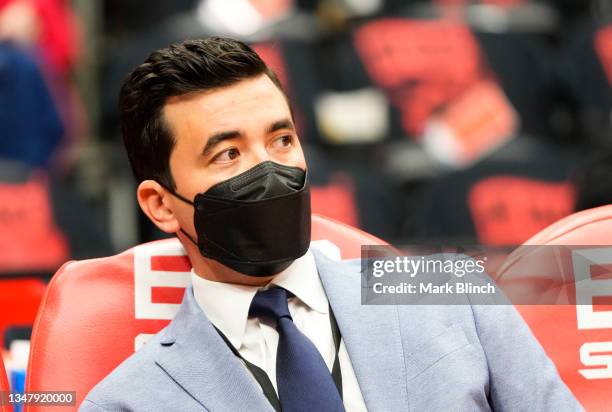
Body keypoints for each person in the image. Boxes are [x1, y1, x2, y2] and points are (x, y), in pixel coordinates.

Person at [80, 37, 581, 411]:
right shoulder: (128, 401)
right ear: (160, 205)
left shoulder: (449, 290)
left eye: (280, 141)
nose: (270, 172)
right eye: (229, 154)